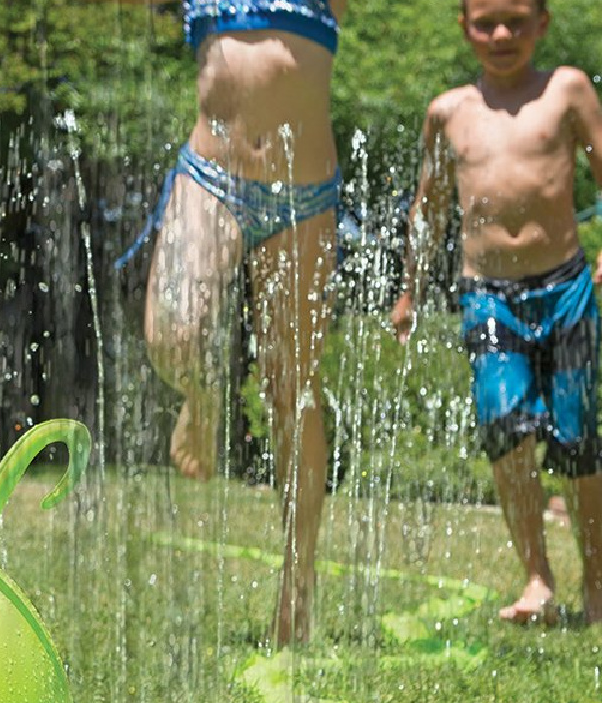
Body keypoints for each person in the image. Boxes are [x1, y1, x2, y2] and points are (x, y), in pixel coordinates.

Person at [124, 0, 346, 647]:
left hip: (307, 197)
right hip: (211, 175)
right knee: (173, 334)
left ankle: (296, 593)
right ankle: (200, 397)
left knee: (293, 389)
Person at [391, 0, 602, 625]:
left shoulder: (566, 90)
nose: (502, 35)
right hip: (486, 294)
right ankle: (538, 578)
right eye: (486, 22)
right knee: (505, 431)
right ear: (464, 27)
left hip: (564, 285)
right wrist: (409, 291)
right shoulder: (448, 112)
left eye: (515, 19)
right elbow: (428, 207)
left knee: (577, 439)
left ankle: (597, 581)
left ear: (543, 22)